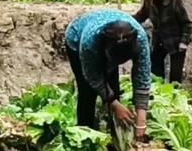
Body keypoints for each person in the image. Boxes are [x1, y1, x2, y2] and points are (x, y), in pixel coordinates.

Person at [65, 9, 151, 141]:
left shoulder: (140, 39)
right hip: (76, 37)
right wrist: (113, 104)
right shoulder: (89, 43)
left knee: (113, 88)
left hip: (109, 44)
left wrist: (141, 117)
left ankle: (116, 136)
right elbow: (92, 76)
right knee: (87, 93)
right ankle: (84, 136)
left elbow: (142, 76)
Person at [134, 0, 192, 83]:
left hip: (175, 41)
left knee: (175, 76)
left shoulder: (176, 0)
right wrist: (129, 21)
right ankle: (159, 96)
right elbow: (141, 15)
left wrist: (184, 42)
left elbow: (187, 23)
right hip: (159, 40)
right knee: (156, 73)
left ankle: (175, 95)